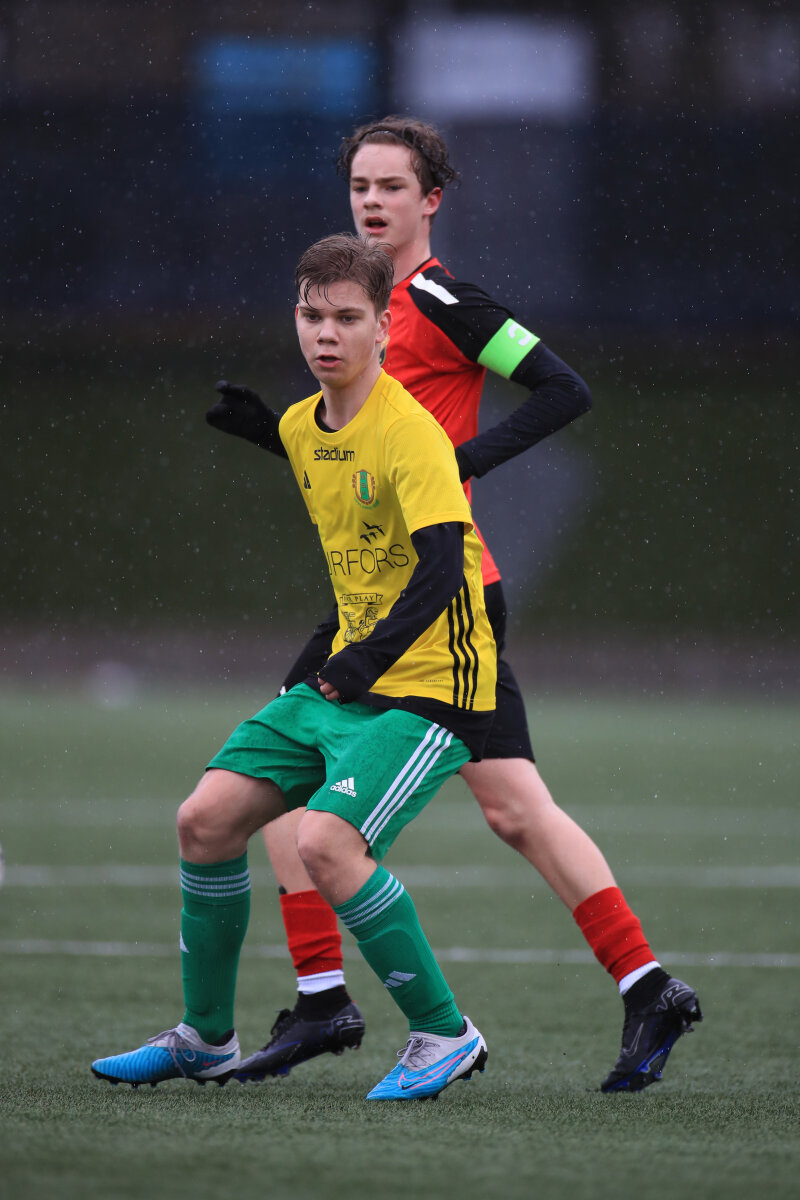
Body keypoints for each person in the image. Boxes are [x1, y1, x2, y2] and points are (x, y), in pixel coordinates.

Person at [208, 117, 702, 1094]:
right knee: (515, 809)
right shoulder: (356, 306)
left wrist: (460, 461)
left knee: (282, 785)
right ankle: (648, 986)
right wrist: (276, 436)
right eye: (360, 185)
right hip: (388, 598)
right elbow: (360, 458)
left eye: (392, 185)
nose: (372, 201)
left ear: (431, 199)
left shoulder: (439, 300)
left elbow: (563, 389)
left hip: (440, 597)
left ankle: (326, 1002)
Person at [91, 232, 498, 1102]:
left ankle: (445, 1033)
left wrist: (362, 662)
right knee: (205, 821)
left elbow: (439, 569)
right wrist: (266, 433)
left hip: (431, 687)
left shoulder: (415, 433)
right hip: (349, 677)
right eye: (312, 316)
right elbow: (337, 464)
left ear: (383, 328)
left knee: (324, 842)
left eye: (348, 318)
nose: (326, 334)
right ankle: (204, 1039)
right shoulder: (303, 423)